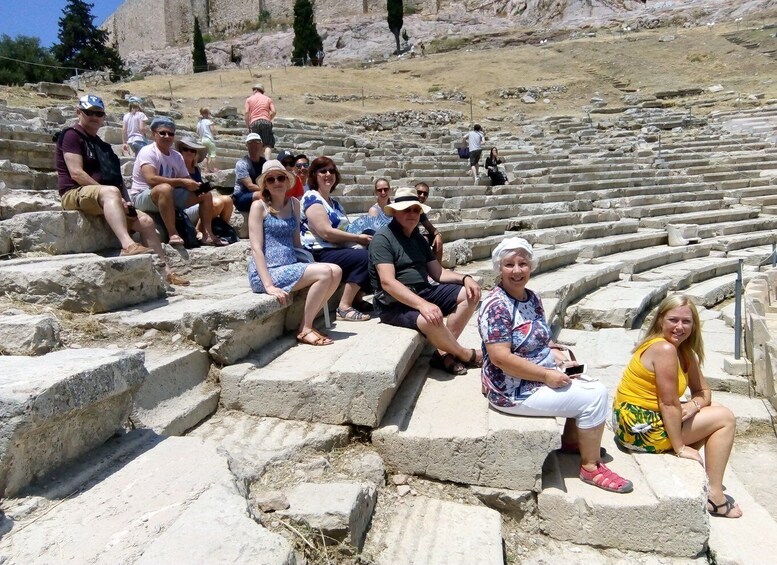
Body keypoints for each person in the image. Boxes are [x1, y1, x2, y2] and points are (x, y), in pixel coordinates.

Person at [477, 237, 632, 493]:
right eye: (509, 265)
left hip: (533, 374)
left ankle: (572, 442)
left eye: (522, 264)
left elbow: (542, 338)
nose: (517, 271)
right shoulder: (496, 306)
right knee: (596, 397)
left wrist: (557, 353)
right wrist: (546, 375)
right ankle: (590, 468)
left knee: (587, 381)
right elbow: (500, 358)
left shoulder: (532, 297)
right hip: (512, 390)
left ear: (531, 266)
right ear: (499, 268)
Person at [613, 294, 741, 517]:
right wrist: (680, 447)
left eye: (686, 321)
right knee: (725, 418)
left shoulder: (684, 351)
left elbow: (704, 392)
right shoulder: (664, 350)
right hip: (637, 427)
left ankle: (711, 485)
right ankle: (716, 497)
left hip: (638, 419)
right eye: (673, 320)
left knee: (715, 410)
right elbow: (668, 402)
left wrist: (693, 405)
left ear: (694, 325)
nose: (679, 327)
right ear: (661, 320)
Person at [56, 94, 187, 285]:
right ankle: (128, 245)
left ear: (103, 117)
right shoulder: (71, 135)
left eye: (98, 113)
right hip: (74, 192)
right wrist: (113, 195)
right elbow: (76, 173)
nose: (94, 117)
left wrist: (126, 201)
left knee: (146, 221)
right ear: (79, 113)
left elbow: (118, 181)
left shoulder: (105, 147)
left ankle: (165, 270)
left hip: (103, 196)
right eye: (89, 112)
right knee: (111, 192)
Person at [369, 186, 482, 375]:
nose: (412, 213)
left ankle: (443, 354)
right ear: (395, 212)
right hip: (394, 303)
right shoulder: (382, 239)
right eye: (406, 209)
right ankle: (464, 354)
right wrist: (422, 305)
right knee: (430, 319)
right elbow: (387, 282)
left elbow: (438, 273)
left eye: (416, 209)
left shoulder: (418, 238)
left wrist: (466, 278)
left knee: (470, 294)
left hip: (422, 290)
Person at [248, 160, 342, 346]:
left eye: (281, 177)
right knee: (324, 273)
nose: (277, 182)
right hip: (268, 271)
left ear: (287, 180)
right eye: (271, 179)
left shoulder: (294, 204)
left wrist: (310, 262)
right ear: (265, 184)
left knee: (336, 271)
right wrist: (268, 285)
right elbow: (256, 248)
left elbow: (296, 243)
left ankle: (307, 324)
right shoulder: (259, 207)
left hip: (290, 264)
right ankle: (305, 328)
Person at [129, 117, 225, 247]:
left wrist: (196, 186)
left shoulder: (176, 156)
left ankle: (207, 234)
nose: (167, 136)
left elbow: (186, 178)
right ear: (154, 134)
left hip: (169, 194)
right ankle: (172, 233)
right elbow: (151, 179)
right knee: (164, 188)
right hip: (143, 195)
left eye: (170, 134)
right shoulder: (147, 151)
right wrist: (182, 182)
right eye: (162, 133)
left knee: (205, 194)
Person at [300, 156, 373, 322]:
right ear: (314, 175)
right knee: (365, 257)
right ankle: (344, 307)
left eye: (331, 170)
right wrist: (358, 239)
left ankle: (358, 298)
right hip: (318, 251)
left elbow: (346, 230)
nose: (328, 174)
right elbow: (325, 232)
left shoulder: (335, 204)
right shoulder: (312, 198)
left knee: (377, 248)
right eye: (322, 171)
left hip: (336, 249)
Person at [177, 137, 234, 238]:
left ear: (196, 153)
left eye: (192, 150)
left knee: (228, 200)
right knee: (217, 203)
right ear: (180, 151)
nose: (189, 152)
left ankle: (221, 230)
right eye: (185, 149)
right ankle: (200, 231)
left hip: (198, 202)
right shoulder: (177, 168)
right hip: (185, 206)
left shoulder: (196, 169)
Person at [232, 133, 267, 213]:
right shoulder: (242, 164)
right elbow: (250, 186)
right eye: (250, 142)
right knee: (262, 195)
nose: (254, 144)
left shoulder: (265, 163)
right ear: (247, 146)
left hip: (260, 192)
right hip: (241, 196)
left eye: (257, 142)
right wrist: (269, 190)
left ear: (262, 145)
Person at [244, 83, 276, 161]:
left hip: (254, 123)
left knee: (257, 144)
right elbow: (274, 111)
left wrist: (248, 125)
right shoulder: (268, 99)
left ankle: (260, 162)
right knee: (267, 145)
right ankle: (267, 162)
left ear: (255, 90)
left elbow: (246, 113)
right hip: (266, 122)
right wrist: (268, 118)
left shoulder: (249, 99)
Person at [414, 182, 443, 263]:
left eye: (425, 194)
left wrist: (437, 235)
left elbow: (429, 227)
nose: (422, 195)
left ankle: (438, 269)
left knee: (435, 239)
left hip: (414, 236)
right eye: (419, 192)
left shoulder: (420, 210)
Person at [196, 107, 218, 173]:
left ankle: (206, 169)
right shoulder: (209, 122)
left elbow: (197, 131)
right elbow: (212, 130)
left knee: (205, 156)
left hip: (202, 140)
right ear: (207, 114)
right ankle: (215, 168)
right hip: (209, 139)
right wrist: (215, 132)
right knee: (213, 155)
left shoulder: (199, 122)